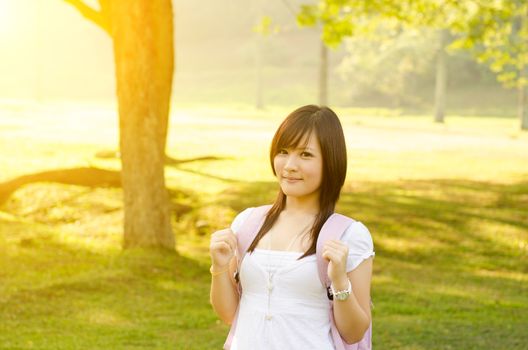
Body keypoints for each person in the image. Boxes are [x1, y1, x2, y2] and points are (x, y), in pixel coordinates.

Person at [209, 105, 375, 350]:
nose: (289, 165)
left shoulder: (349, 235)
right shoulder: (247, 223)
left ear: (330, 161)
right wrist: (220, 267)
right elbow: (230, 315)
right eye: (283, 152)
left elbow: (354, 332)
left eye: (305, 155)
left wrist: (340, 282)